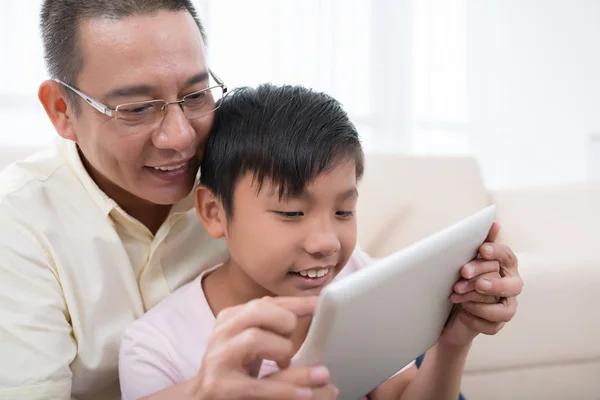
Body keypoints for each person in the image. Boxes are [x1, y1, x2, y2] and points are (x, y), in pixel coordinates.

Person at [0, 0, 523, 399]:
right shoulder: (19, 225)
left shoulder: (242, 164)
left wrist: (447, 316)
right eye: (137, 108)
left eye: (195, 95)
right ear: (62, 110)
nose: (180, 137)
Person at [118, 84, 522, 400]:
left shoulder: (358, 277)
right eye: (292, 213)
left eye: (344, 212)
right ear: (213, 212)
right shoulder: (155, 348)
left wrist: (454, 340)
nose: (327, 243)